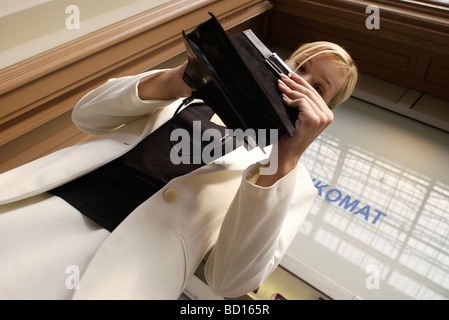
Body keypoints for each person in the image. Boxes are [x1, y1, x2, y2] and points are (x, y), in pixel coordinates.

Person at [0, 41, 358, 299]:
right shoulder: (196, 95)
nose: (298, 81)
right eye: (300, 66)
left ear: (324, 110)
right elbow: (87, 115)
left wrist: (285, 159)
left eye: (317, 87)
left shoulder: (291, 180)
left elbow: (229, 281)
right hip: (44, 213)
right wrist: (177, 80)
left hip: (121, 276)